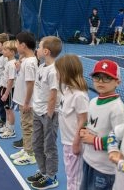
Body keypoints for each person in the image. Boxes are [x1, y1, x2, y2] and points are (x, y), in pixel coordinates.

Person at [79, 59, 124, 190]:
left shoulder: (118, 109)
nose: (100, 81)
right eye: (97, 77)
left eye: (107, 78)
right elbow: (89, 120)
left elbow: (123, 140)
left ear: (117, 82)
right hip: (88, 160)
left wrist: (95, 141)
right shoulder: (94, 101)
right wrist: (84, 129)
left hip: (105, 169)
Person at [25, 36, 62, 188]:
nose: (37, 50)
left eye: (39, 47)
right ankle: (42, 170)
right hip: (37, 112)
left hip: (48, 115)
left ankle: (51, 176)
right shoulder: (41, 67)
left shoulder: (53, 71)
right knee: (36, 143)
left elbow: (53, 96)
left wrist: (49, 115)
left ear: (46, 51)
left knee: (49, 146)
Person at [55, 54, 89, 190]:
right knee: (71, 174)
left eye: (58, 71)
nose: (56, 74)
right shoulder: (67, 90)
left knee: (75, 178)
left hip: (73, 143)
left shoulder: (79, 96)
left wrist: (76, 142)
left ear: (66, 73)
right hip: (66, 141)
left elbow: (83, 120)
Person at [10, 31, 38, 166]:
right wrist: (19, 66)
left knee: (28, 126)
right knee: (24, 125)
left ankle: (30, 154)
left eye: (16, 42)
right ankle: (27, 148)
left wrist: (27, 102)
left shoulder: (31, 62)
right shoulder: (26, 60)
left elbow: (31, 83)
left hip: (28, 102)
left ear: (23, 45)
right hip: (22, 100)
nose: (15, 45)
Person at [0, 40, 17, 139]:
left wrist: (6, 93)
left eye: (6, 49)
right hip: (4, 87)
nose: (3, 51)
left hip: (8, 90)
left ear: (12, 52)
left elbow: (11, 80)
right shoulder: (8, 62)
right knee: (6, 109)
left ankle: (11, 130)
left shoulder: (12, 64)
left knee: (9, 110)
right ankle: (7, 126)